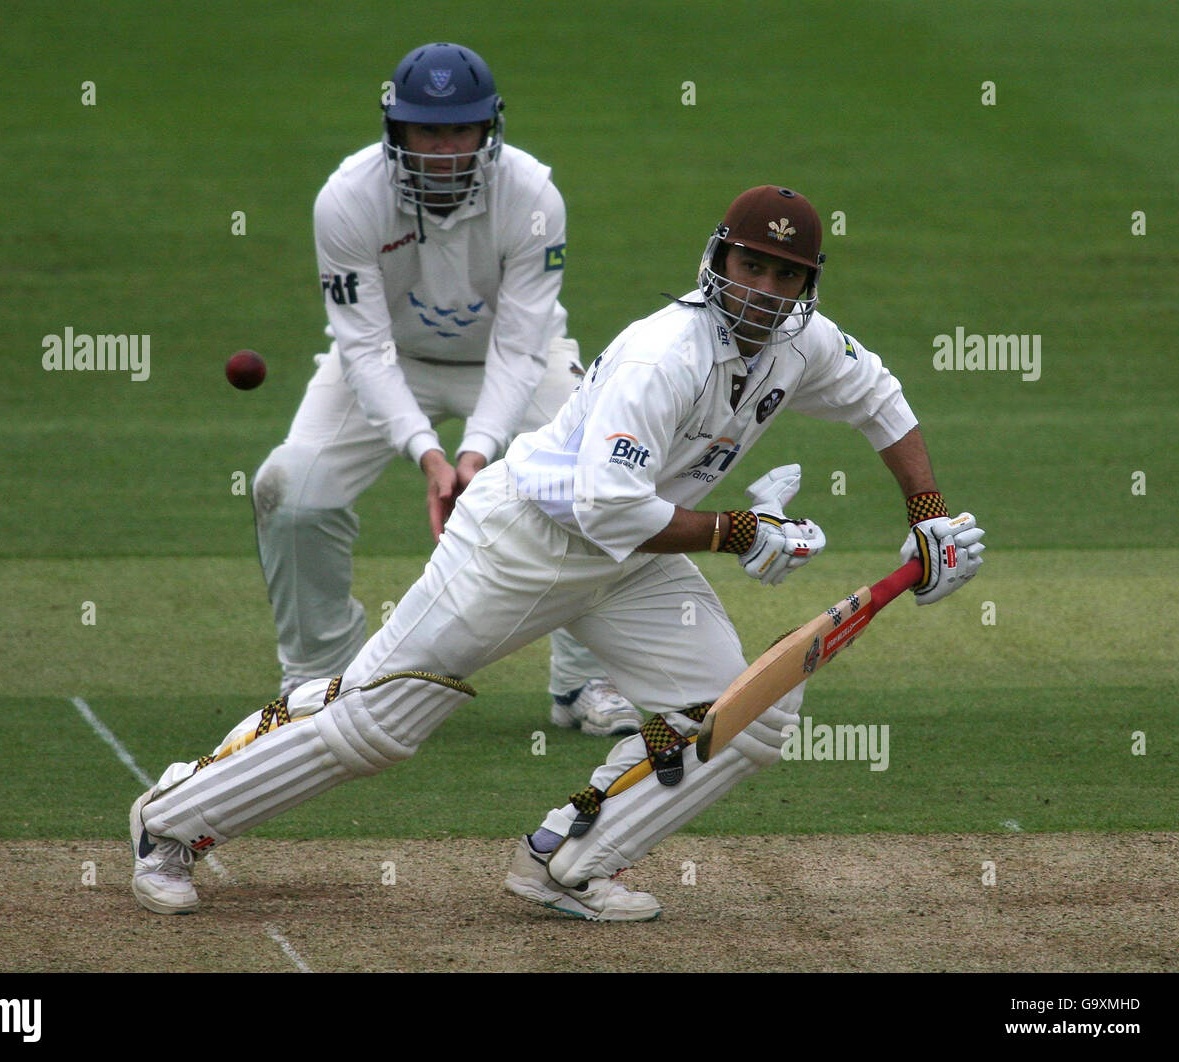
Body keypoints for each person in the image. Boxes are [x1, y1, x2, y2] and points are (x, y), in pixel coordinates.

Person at [132, 184, 986, 920]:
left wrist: (929, 516)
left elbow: (880, 399)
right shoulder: (665, 355)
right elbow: (608, 503)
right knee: (380, 721)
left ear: (807, 284)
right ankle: (170, 821)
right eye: (752, 267)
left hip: (631, 562)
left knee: (749, 713)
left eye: (786, 275)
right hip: (521, 542)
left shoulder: (805, 345)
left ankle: (569, 862)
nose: (765, 290)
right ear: (718, 262)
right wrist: (740, 532)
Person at [252, 41, 639, 737]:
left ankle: (585, 677)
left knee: (600, 478)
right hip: (386, 361)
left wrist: (478, 452)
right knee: (290, 494)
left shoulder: (533, 196)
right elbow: (363, 347)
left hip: (516, 361)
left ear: (488, 130)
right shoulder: (346, 198)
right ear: (395, 130)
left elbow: (522, 344)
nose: (442, 148)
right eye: (426, 130)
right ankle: (320, 681)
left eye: (459, 129)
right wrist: (431, 455)